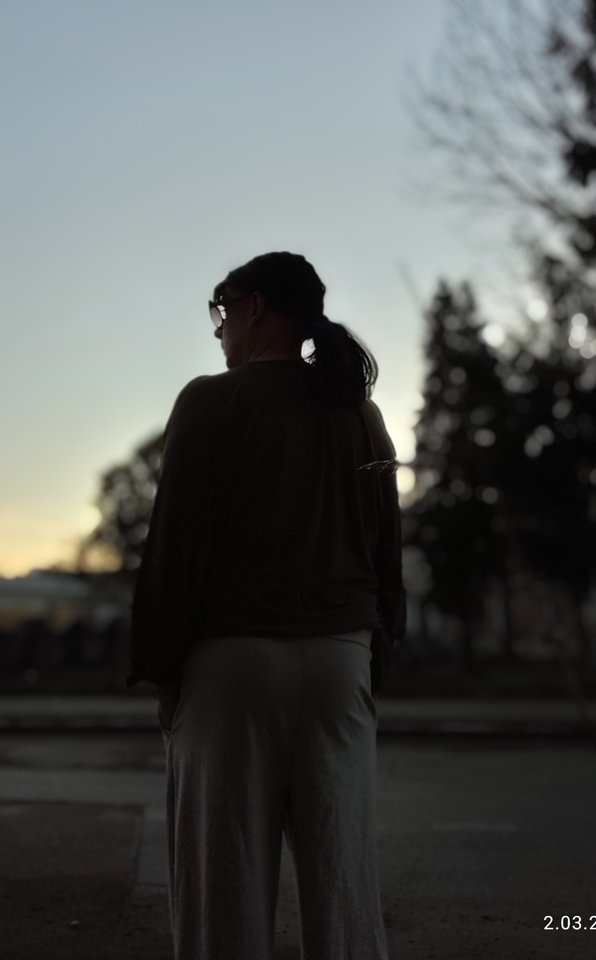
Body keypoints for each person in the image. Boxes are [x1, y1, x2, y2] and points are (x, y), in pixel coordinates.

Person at [125, 251, 406, 960]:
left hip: (233, 665)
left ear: (254, 309)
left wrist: (163, 671)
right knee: (343, 881)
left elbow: (175, 546)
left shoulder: (209, 402)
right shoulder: (361, 415)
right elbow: (386, 550)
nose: (218, 330)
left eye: (222, 311)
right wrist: (375, 656)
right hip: (341, 660)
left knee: (224, 890)